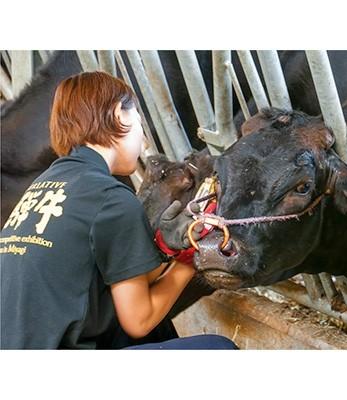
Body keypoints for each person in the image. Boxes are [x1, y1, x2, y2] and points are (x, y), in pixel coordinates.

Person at [0, 71, 237, 350]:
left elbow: (116, 279)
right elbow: (139, 319)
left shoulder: (48, 185)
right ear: (119, 115)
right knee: (218, 349)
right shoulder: (110, 198)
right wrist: (187, 259)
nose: (145, 143)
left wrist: (165, 249)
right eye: (139, 122)